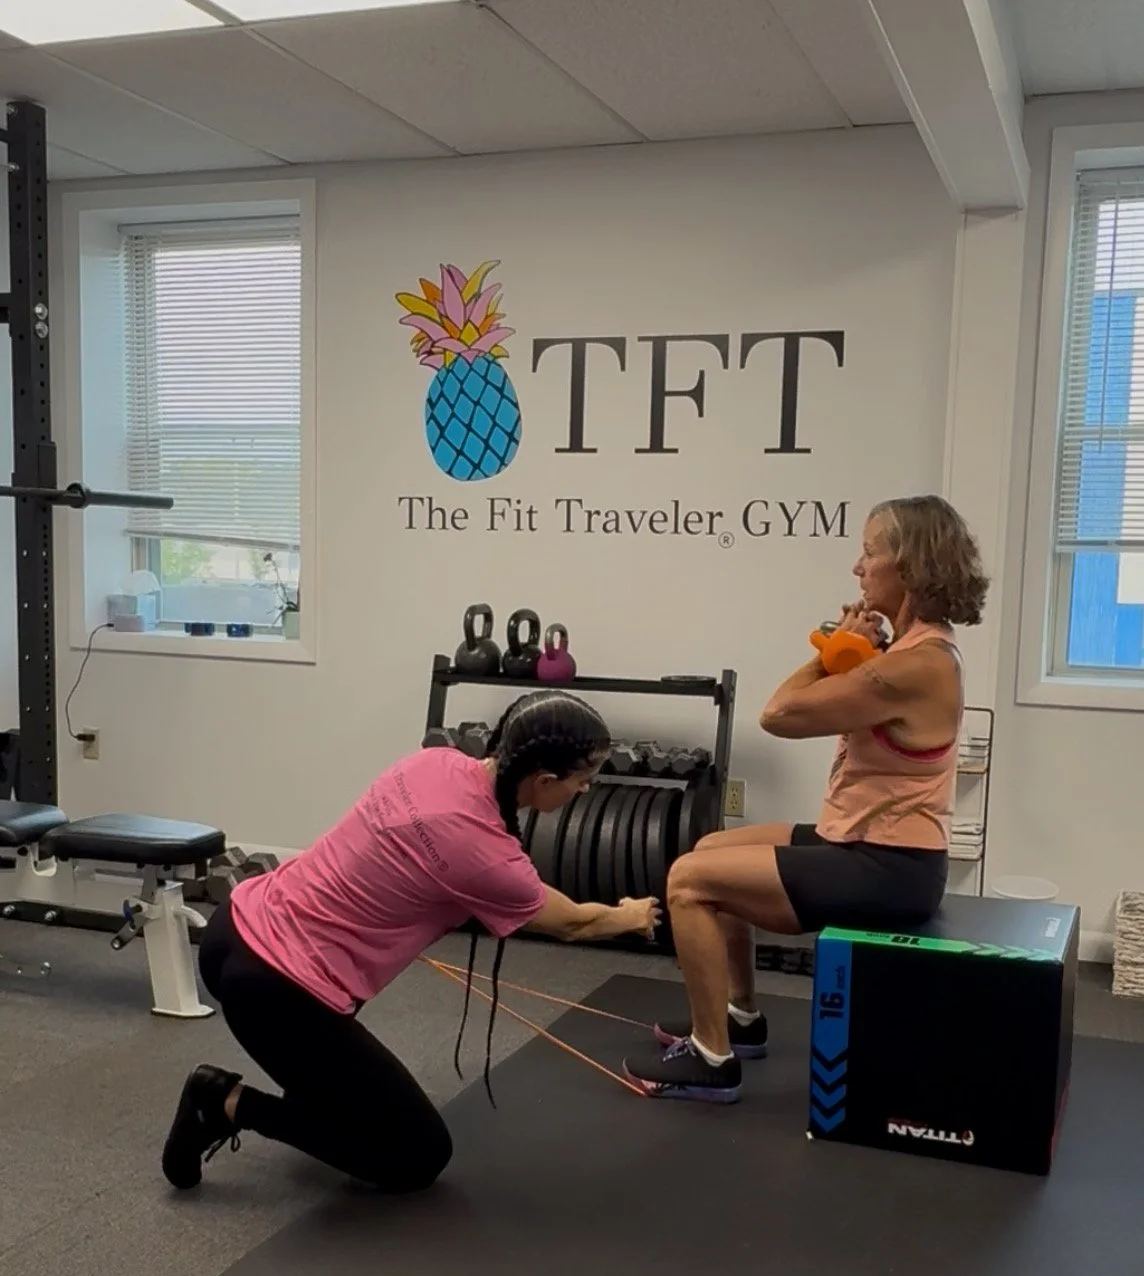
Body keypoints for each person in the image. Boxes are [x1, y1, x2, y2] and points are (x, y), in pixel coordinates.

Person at [161, 691, 660, 1193]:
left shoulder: (434, 762)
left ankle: (317, 1092)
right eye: (582, 780)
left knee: (337, 1083)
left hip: (235, 926)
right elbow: (574, 924)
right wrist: (630, 916)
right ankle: (222, 1102)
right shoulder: (487, 856)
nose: (585, 789)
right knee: (417, 1154)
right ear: (545, 780)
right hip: (277, 991)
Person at [622, 493, 989, 1105]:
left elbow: (779, 714)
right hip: (857, 841)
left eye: (869, 553)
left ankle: (712, 1059)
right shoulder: (909, 650)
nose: (857, 567)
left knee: (687, 880)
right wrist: (854, 648)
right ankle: (740, 1018)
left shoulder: (915, 666)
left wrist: (829, 652)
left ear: (911, 566)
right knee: (711, 849)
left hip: (889, 867)